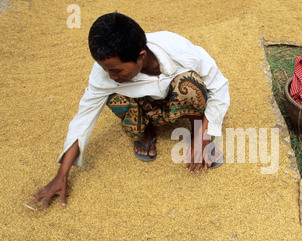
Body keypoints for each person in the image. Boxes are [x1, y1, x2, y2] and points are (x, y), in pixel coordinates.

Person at [32, 12, 230, 210]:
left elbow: (219, 88)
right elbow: (84, 117)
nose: (111, 75)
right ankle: (146, 130)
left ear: (141, 56)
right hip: (144, 108)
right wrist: (61, 174)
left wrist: (204, 135)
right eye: (105, 69)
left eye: (117, 71)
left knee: (188, 82)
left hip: (177, 101)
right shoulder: (104, 74)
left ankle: (196, 133)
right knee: (113, 97)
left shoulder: (179, 49)